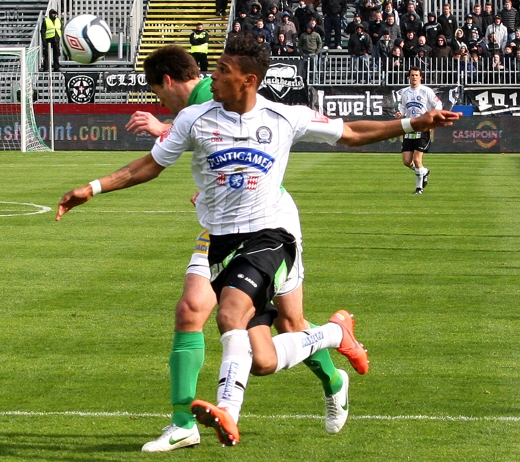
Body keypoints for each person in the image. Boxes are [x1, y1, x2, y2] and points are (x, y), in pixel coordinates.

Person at [58, 34, 460, 447]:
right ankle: (334, 334)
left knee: (228, 312)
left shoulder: (285, 117)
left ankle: (224, 414)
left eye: (222, 71)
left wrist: (413, 123)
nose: (210, 77)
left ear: (248, 80)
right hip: (220, 240)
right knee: (265, 359)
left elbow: (352, 132)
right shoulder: (194, 119)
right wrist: (92, 188)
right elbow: (149, 165)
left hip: (271, 234)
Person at [123, 44, 351, 452]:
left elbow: (248, 153)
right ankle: (182, 423)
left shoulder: (219, 91)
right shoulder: (198, 108)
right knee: (191, 309)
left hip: (269, 222)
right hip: (220, 228)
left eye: (159, 95)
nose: (161, 104)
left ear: (169, 82)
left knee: (290, 324)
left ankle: (333, 373)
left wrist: (166, 132)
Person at [395, 66, 443, 195]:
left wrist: (432, 116)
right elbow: (403, 108)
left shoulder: (426, 91)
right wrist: (400, 113)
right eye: (412, 75)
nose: (414, 77)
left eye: (416, 75)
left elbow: (438, 105)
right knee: (406, 161)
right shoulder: (405, 92)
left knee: (417, 160)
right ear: (409, 77)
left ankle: (419, 188)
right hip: (409, 126)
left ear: (420, 77)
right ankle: (423, 171)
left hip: (423, 127)